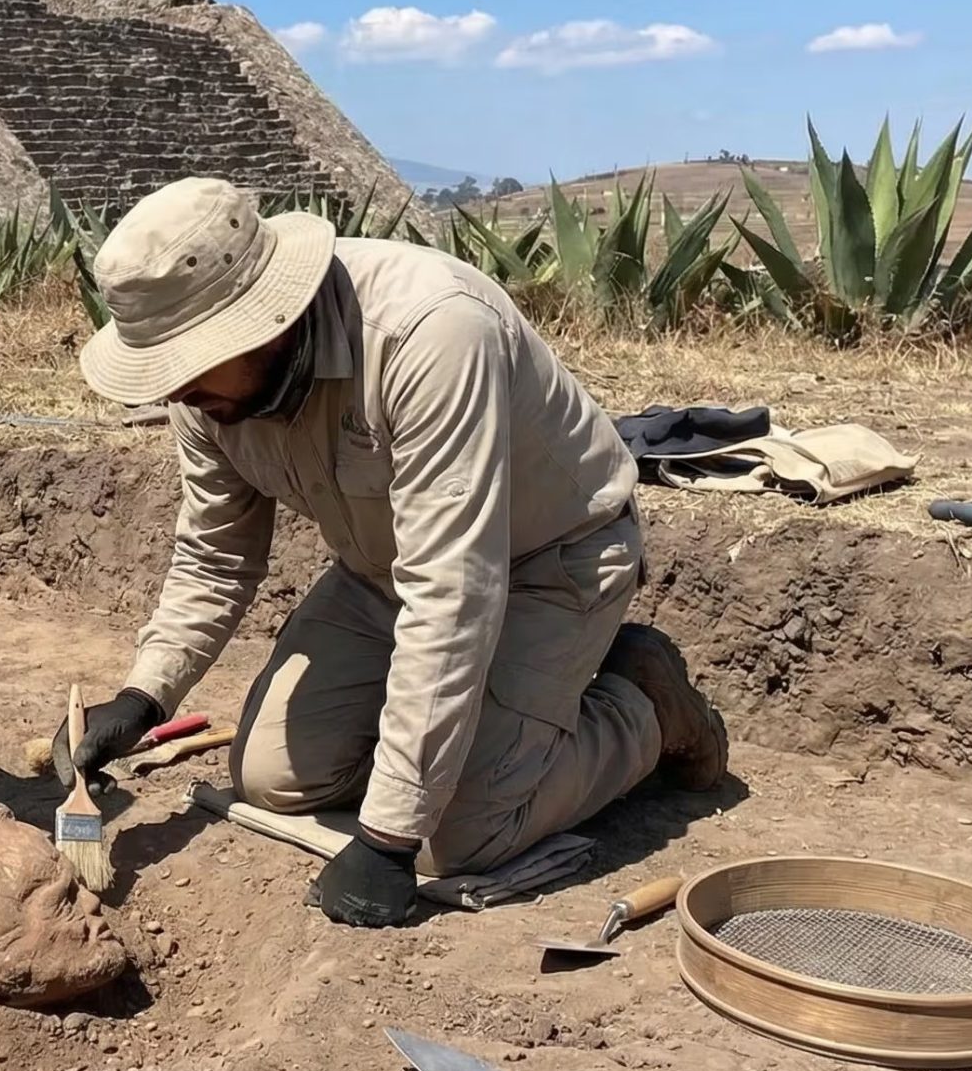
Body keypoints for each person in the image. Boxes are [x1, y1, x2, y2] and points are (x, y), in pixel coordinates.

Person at [56, 177, 726, 928]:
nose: (174, 389)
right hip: (381, 576)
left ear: (260, 323)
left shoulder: (430, 333)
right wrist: (146, 694)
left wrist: (387, 835)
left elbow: (454, 591)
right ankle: (478, 725)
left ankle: (644, 709)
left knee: (458, 834)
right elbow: (216, 555)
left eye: (188, 363)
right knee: (267, 774)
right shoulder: (208, 396)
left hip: (547, 563)